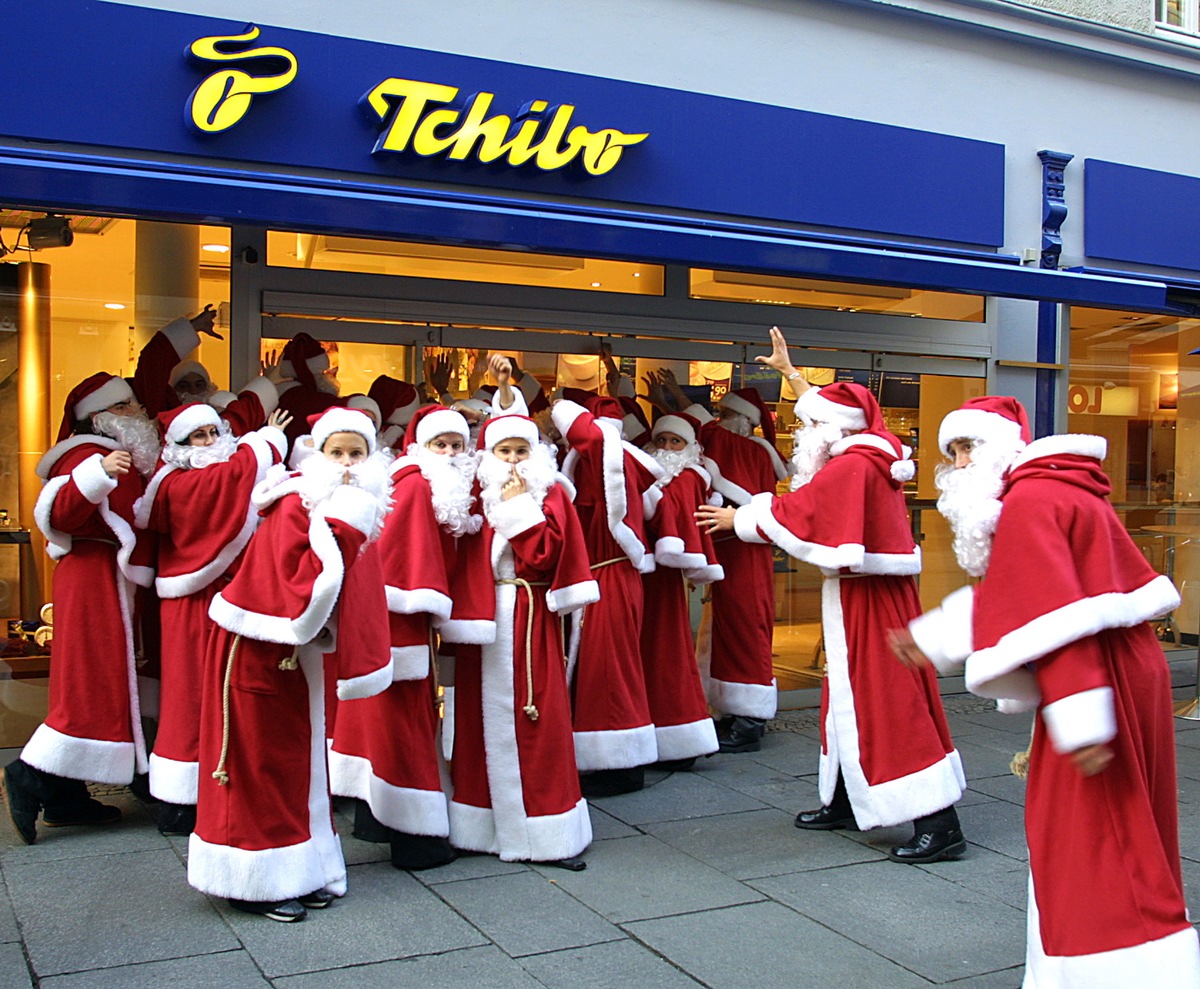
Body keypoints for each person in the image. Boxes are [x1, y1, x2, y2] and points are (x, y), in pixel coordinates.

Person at [891, 396, 1200, 985]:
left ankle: (1119, 966)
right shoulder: (1048, 490)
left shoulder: (1031, 500)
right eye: (951, 452)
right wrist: (942, 635)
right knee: (1125, 824)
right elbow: (1034, 590)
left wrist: (1081, 720)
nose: (956, 465)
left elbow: (1055, 618)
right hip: (1118, 668)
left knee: (1095, 837)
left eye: (966, 448)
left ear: (1002, 447)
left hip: (1094, 676)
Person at [696, 326, 966, 864]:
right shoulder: (863, 455)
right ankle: (848, 797)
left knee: (888, 703)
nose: (803, 431)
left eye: (810, 423)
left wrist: (739, 516)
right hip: (863, 596)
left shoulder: (851, 465)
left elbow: (806, 509)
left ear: (832, 429)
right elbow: (824, 450)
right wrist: (792, 375)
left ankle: (940, 822)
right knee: (847, 700)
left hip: (869, 601)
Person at [187, 407, 393, 922]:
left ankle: (300, 867)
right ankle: (253, 878)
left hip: (291, 657)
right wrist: (348, 520)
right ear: (316, 455)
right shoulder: (295, 502)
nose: (347, 464)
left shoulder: (346, 506)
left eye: (357, 454)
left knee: (296, 764)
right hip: (256, 649)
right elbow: (299, 589)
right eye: (336, 453)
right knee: (255, 764)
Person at [4, 373, 161, 843]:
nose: (140, 413)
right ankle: (31, 775)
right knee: (92, 686)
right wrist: (97, 476)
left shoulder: (126, 453)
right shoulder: (85, 454)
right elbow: (59, 514)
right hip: (94, 581)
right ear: (103, 416)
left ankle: (66, 799)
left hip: (113, 581)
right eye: (129, 406)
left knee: (100, 685)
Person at [438, 411, 598, 868]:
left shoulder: (549, 496)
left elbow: (546, 557)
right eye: (503, 452)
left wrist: (517, 509)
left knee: (538, 717)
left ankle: (548, 830)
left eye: (520, 452)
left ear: (536, 455)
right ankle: (479, 826)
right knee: (473, 721)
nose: (511, 462)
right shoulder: (472, 497)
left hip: (527, 614)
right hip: (482, 621)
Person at [329, 404, 480, 871]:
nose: (452, 454)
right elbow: (405, 568)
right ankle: (418, 840)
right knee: (405, 729)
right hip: (400, 627)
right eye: (442, 445)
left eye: (459, 445)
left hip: (391, 623)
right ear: (423, 447)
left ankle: (377, 822)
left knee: (381, 726)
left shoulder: (422, 482)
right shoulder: (416, 484)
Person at [133, 398, 290, 835]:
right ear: (180, 446)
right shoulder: (182, 484)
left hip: (215, 601)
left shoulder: (177, 481)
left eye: (213, 433)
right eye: (197, 437)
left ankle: (206, 784)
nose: (209, 443)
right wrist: (268, 440)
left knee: (219, 696)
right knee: (190, 698)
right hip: (192, 605)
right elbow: (233, 476)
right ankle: (181, 800)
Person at [657, 369, 791, 753]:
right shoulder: (752, 449)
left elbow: (706, 430)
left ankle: (749, 719)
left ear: (739, 417)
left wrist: (674, 401)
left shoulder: (738, 446)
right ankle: (736, 710)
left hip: (743, 551)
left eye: (723, 411)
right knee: (730, 629)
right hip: (738, 548)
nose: (717, 418)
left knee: (744, 628)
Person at [550, 390, 663, 796]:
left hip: (609, 578)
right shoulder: (603, 461)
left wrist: (558, 407)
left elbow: (594, 439)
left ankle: (620, 765)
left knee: (610, 671)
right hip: (608, 577)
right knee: (603, 670)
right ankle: (608, 759)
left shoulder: (604, 457)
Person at [640, 413, 723, 768]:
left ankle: (678, 732)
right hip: (644, 574)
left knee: (667, 651)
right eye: (662, 441)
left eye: (676, 442)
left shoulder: (690, 477)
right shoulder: (651, 474)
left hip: (665, 577)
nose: (669, 449)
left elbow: (674, 518)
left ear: (690, 446)